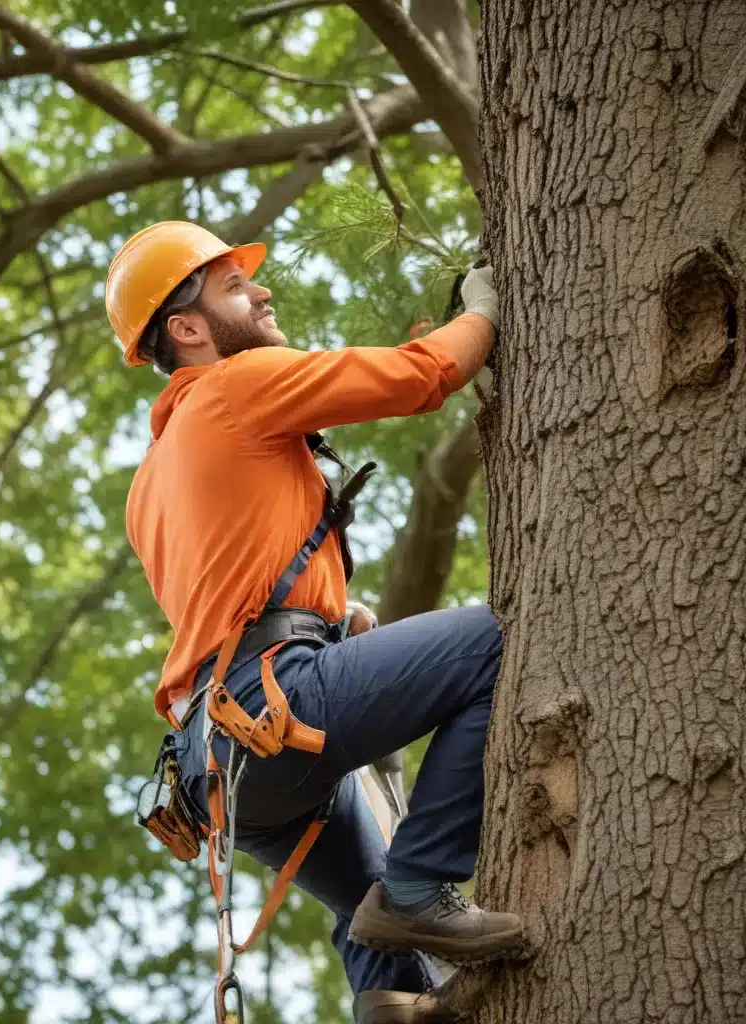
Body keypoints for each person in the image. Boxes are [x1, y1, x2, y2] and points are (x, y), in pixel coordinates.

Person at [110, 221, 524, 1024]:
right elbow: (423, 374)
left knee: (376, 918)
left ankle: (388, 999)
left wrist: (333, 625)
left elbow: (231, 588)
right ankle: (419, 888)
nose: (262, 291)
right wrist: (486, 311)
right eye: (235, 287)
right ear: (187, 328)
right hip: (273, 707)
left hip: (217, 765)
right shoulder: (234, 386)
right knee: (491, 642)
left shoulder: (151, 481)